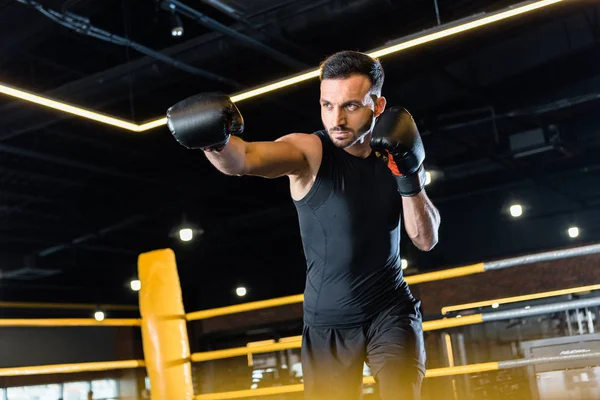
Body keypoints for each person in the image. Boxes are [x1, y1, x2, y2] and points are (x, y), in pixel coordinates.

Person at [166, 50, 440, 400]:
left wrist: (409, 175)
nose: (336, 119)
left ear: (378, 105)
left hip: (390, 310)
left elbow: (425, 238)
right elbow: (245, 159)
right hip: (327, 323)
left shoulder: (395, 155)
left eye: (351, 106)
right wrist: (215, 142)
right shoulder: (310, 152)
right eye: (327, 105)